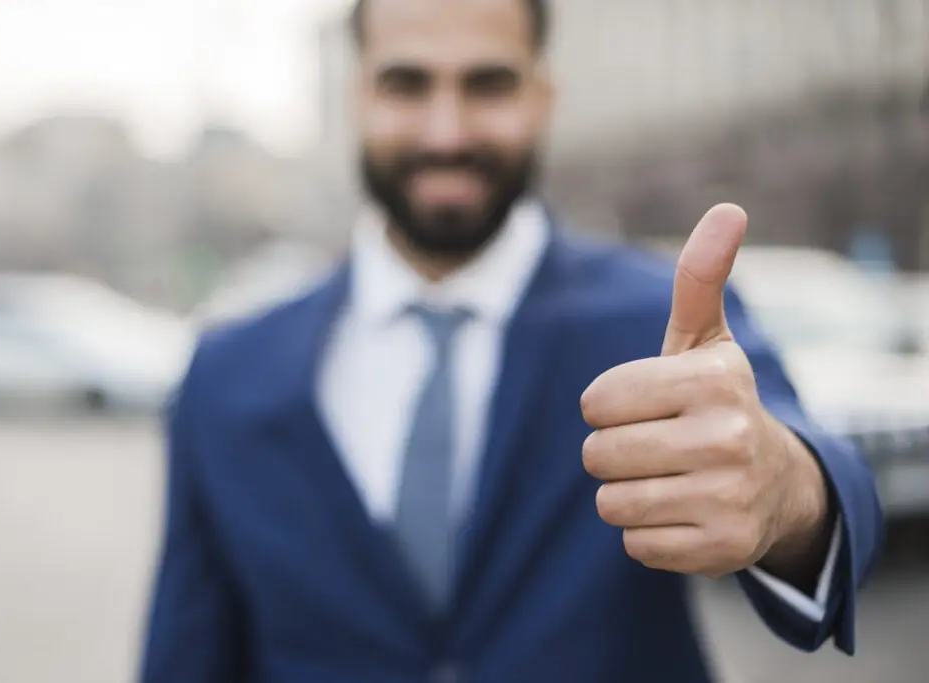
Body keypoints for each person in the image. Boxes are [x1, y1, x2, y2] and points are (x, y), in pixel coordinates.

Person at [139, 0, 883, 681]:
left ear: (542, 96)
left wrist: (785, 487)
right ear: (357, 95)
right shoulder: (226, 374)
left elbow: (819, 467)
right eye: (407, 84)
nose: (447, 131)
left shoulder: (656, 318)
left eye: (487, 84)